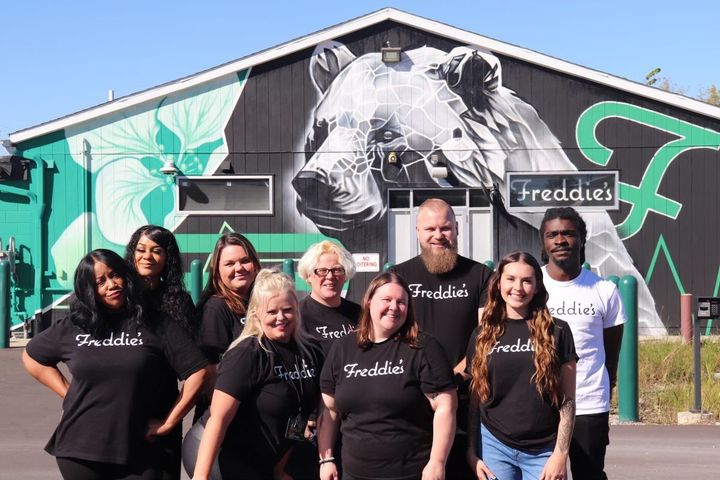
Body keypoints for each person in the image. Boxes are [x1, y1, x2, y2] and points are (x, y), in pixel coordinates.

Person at [22, 249, 209, 480]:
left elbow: (199, 372)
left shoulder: (156, 323)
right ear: (89, 291)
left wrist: (169, 422)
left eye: (114, 275)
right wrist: (68, 393)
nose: (111, 285)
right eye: (100, 281)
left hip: (145, 452)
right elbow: (31, 357)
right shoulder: (74, 325)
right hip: (81, 450)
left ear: (126, 276)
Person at [183, 269, 323, 480]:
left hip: (266, 454)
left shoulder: (310, 350)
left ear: (297, 309)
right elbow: (218, 420)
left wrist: (281, 467)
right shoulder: (247, 354)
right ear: (256, 314)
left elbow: (299, 417)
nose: (281, 318)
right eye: (272, 312)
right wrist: (200, 478)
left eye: (287, 310)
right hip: (219, 450)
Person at [318, 271, 457, 480]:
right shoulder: (343, 347)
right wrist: (326, 459)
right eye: (387, 300)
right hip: (354, 473)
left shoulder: (423, 347)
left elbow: (446, 407)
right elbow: (329, 409)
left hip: (410, 473)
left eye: (401, 302)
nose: (394, 307)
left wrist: (437, 462)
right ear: (369, 301)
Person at [392, 198, 493, 478]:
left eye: (445, 228)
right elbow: (390, 335)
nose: (438, 235)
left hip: (467, 395)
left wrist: (457, 374)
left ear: (457, 229)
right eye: (430, 229)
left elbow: (487, 334)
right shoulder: (399, 276)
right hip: (414, 397)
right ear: (417, 231)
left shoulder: (481, 276)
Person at [466, 251, 577, 480]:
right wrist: (471, 451)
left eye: (527, 280)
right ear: (498, 284)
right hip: (494, 445)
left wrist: (560, 454)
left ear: (537, 286)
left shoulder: (557, 331)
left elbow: (568, 401)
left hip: (544, 450)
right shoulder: (482, 335)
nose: (518, 287)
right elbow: (475, 399)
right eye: (511, 279)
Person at [540, 207, 625, 480]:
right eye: (552, 234)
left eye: (568, 233)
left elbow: (611, 355)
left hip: (588, 405)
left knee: (589, 474)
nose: (560, 240)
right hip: (539, 404)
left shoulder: (604, 291)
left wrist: (604, 387)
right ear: (544, 242)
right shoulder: (530, 286)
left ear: (581, 239)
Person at [197, 232, 262, 363]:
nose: (239, 268)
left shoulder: (264, 301)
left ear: (255, 264)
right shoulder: (214, 309)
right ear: (217, 270)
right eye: (229, 264)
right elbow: (210, 368)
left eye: (245, 261)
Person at [125, 224, 198, 337]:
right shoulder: (122, 295)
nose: (147, 256)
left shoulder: (180, 300)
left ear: (168, 257)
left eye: (157, 251)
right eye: (141, 250)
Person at [297, 240, 361, 353]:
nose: (330, 276)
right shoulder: (297, 316)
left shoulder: (360, 314)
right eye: (322, 271)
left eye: (337, 270)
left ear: (345, 275)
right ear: (308, 276)